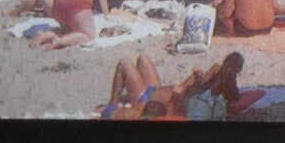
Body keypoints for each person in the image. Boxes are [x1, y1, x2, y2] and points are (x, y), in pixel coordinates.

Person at [100, 52, 262, 120]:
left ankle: (112, 104)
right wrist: (197, 78)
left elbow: (236, 101)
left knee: (124, 64)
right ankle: (123, 98)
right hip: (155, 89)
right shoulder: (210, 78)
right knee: (142, 59)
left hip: (145, 98)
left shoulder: (201, 101)